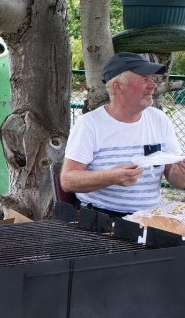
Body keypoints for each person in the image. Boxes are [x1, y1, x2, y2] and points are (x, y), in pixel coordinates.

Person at [61, 52, 185, 219]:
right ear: (118, 86)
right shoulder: (90, 124)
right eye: (144, 79)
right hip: (101, 220)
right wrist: (111, 177)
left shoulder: (159, 120)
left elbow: (176, 180)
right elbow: (67, 181)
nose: (152, 85)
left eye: (152, 79)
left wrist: (181, 173)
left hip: (150, 219)